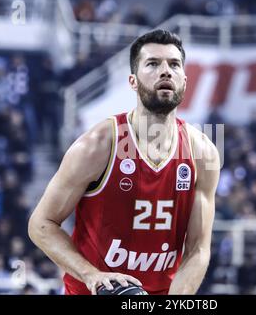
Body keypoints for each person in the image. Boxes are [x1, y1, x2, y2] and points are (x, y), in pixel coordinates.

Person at [28, 29, 220, 295]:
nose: (166, 71)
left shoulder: (204, 153)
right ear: (132, 81)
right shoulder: (97, 145)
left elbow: (198, 249)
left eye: (174, 64)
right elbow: (41, 224)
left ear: (185, 81)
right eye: (153, 64)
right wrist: (91, 275)